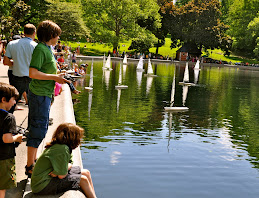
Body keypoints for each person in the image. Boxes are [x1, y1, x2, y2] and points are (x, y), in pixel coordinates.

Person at [26, 20, 68, 177]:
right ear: (51, 35)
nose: (58, 38)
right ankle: (30, 166)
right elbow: (32, 73)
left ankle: (33, 162)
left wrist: (57, 76)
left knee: (41, 128)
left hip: (45, 94)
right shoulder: (40, 49)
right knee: (37, 129)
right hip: (39, 94)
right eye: (57, 35)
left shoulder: (47, 49)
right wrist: (55, 78)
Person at [31, 123, 97, 198]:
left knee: (86, 172)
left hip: (46, 179)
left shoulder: (61, 146)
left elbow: (69, 163)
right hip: (41, 186)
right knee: (83, 179)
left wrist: (59, 171)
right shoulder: (63, 149)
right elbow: (62, 175)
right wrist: (60, 171)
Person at [3, 24, 37, 113]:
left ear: (24, 32)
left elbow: (6, 62)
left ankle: (7, 123)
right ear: (34, 33)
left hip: (17, 76)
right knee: (33, 104)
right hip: (31, 77)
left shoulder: (12, 44)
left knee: (11, 102)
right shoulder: (36, 46)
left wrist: (15, 63)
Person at [0, 82, 23, 198]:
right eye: (14, 100)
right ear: (4, 99)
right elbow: (6, 138)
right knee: (1, 186)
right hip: (3, 158)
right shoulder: (9, 117)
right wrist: (17, 138)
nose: (15, 103)